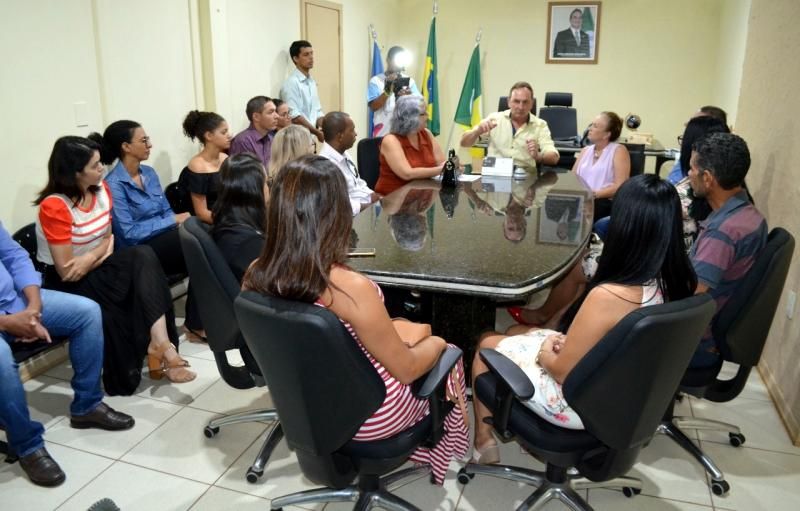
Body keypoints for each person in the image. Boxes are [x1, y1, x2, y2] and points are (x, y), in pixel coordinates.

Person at [242, 155, 469, 484]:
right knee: (441, 345)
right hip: (369, 416)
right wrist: (437, 345)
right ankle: (450, 450)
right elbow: (405, 369)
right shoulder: (349, 288)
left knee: (407, 328)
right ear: (335, 212)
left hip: (307, 402)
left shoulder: (255, 273)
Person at [471, 175, 696, 463]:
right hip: (623, 396)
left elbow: (561, 372)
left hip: (580, 404)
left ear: (625, 225)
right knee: (517, 329)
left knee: (486, 344)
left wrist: (545, 350)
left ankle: (484, 443)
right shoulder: (674, 284)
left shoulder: (610, 295)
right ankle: (520, 438)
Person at [34, 136, 196, 395]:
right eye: (95, 166)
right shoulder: (55, 206)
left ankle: (162, 344)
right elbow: (67, 270)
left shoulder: (101, 191)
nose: (102, 170)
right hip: (65, 283)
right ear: (75, 173)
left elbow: (108, 240)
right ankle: (159, 350)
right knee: (133, 285)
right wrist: (94, 256)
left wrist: (89, 257)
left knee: (143, 256)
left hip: (97, 266)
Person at [1, 221, 134, 487]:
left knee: (86, 312)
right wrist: (6, 323)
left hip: (18, 302)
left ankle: (87, 405)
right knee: (2, 364)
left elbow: (14, 255)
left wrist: (34, 307)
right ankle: (27, 445)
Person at [94, 120, 204, 342]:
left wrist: (173, 220)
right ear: (126, 146)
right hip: (138, 251)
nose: (149, 145)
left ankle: (197, 321)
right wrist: (172, 220)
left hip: (165, 242)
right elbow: (128, 232)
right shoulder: (113, 184)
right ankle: (194, 324)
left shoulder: (149, 173)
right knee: (200, 241)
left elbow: (165, 211)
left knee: (203, 248)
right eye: (144, 140)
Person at [687, 132, 767, 368]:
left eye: (692, 168)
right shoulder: (750, 215)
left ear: (708, 178)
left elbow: (691, 298)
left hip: (694, 343)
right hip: (711, 328)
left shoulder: (722, 233)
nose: (689, 174)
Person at [460, 82, 559, 172]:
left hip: (525, 178)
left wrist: (538, 156)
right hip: (495, 176)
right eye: (516, 101)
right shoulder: (494, 119)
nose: (520, 107)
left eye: (525, 102)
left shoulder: (540, 125)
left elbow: (554, 157)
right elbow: (464, 143)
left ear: (531, 103)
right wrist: (477, 131)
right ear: (509, 102)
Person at [211, 153, 268, 283]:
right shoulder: (250, 243)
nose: (269, 188)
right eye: (266, 182)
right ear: (255, 191)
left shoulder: (225, 222)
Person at [375, 96, 446, 196]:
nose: (428, 116)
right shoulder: (391, 140)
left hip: (420, 197)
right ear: (410, 117)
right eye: (424, 113)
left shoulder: (426, 134)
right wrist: (443, 170)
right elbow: (407, 174)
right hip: (393, 198)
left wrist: (453, 166)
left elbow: (442, 163)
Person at [572, 111, 631, 221]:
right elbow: (573, 178)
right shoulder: (585, 151)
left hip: (604, 201)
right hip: (582, 200)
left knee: (593, 209)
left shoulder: (618, 150)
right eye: (591, 124)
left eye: (595, 126)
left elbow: (620, 185)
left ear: (607, 134)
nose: (590, 128)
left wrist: (593, 195)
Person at [319, 111, 379, 215]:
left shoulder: (343, 153)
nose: (356, 133)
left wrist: (373, 195)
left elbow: (357, 182)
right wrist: (370, 206)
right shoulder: (325, 165)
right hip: (352, 217)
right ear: (340, 136)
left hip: (366, 205)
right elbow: (340, 206)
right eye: (352, 130)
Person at [180, 110, 231, 224]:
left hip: (228, 214)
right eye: (224, 132)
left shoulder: (225, 158)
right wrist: (230, 223)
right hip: (211, 222)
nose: (229, 135)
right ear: (209, 136)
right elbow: (201, 213)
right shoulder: (197, 166)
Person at [367, 46, 422, 137]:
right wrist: (388, 89)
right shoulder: (375, 81)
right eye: (396, 60)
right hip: (382, 135)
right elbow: (373, 106)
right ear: (388, 60)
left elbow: (420, 106)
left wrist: (410, 97)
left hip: (404, 135)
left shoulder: (410, 82)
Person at [280, 40, 324, 143]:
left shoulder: (311, 82)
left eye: (312, 53)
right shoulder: (291, 83)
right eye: (306, 54)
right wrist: (316, 132)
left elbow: (317, 111)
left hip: (310, 139)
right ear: (296, 59)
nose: (311, 57)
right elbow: (295, 117)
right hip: (297, 140)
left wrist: (327, 128)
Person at [229, 95, 279, 168]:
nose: (277, 116)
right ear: (256, 117)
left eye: (276, 111)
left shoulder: (272, 138)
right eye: (271, 112)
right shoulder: (242, 141)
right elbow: (243, 175)